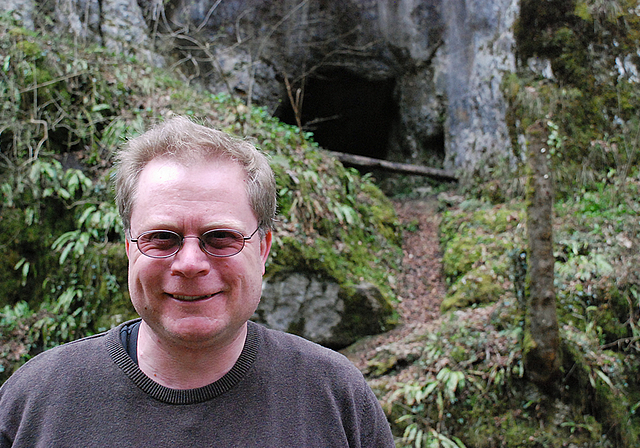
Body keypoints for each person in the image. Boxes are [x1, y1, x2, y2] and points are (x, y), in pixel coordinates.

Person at [0, 116, 395, 447]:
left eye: (221, 237)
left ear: (262, 249)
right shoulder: (36, 401)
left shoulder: (335, 398)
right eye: (162, 237)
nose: (190, 263)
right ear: (129, 248)